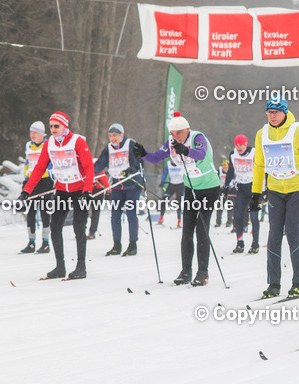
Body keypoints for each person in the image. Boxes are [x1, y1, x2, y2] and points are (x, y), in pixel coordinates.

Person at [251, 96, 299, 298]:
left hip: (298, 189)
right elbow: (258, 165)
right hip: (275, 190)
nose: (272, 116)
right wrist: (255, 193)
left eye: (275, 112)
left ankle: (298, 282)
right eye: (269, 112)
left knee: (293, 233)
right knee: (273, 236)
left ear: (284, 112)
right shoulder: (262, 134)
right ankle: (274, 283)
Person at [139, 112, 220, 285]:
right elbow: (155, 158)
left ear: (187, 130)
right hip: (191, 188)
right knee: (187, 230)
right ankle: (186, 271)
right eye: (173, 134)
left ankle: (203, 272)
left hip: (210, 188)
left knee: (201, 229)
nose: (176, 137)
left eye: (179, 134)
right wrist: (143, 153)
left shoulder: (198, 137)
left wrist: (186, 150)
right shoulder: (171, 142)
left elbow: (201, 154)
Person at [19, 112, 94, 279]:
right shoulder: (49, 144)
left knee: (79, 226)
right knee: (55, 226)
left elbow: (89, 167)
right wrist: (26, 192)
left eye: (56, 126)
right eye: (51, 126)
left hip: (79, 189)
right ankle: (60, 266)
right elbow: (39, 169)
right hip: (61, 189)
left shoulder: (77, 141)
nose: (53, 129)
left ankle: (81, 267)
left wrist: (88, 190)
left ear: (64, 126)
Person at [93, 123, 146, 256]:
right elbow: (99, 164)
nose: (113, 138)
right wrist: (89, 175)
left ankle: (132, 245)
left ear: (121, 135)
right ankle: (117, 245)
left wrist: (131, 170)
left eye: (115, 135)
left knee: (131, 213)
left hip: (133, 185)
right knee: (115, 215)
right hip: (118, 186)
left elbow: (140, 163)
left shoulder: (130, 144)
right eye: (110, 136)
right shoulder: (108, 149)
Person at [224, 134, 259, 254]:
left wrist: (266, 188)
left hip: (254, 187)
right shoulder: (233, 154)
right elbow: (230, 171)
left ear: (246, 144)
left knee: (254, 217)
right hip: (242, 188)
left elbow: (262, 169)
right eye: (236, 145)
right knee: (237, 215)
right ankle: (240, 243)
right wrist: (225, 186)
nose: (239, 148)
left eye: (241, 145)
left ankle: (255, 243)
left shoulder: (254, 152)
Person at [21, 121, 52, 253]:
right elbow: (27, 163)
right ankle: (31, 242)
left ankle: (45, 243)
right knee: (31, 212)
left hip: (45, 181)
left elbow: (51, 163)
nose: (32, 135)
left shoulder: (48, 144)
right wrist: (25, 181)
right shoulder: (29, 145)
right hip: (31, 182)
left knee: (45, 212)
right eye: (31, 132)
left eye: (35, 133)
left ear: (42, 134)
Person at [159, 159, 184, 227]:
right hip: (171, 185)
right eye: (173, 159)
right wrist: (162, 181)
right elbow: (165, 173)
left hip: (180, 185)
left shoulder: (181, 163)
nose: (174, 160)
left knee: (178, 202)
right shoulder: (168, 164)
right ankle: (161, 218)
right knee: (164, 199)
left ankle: (179, 221)